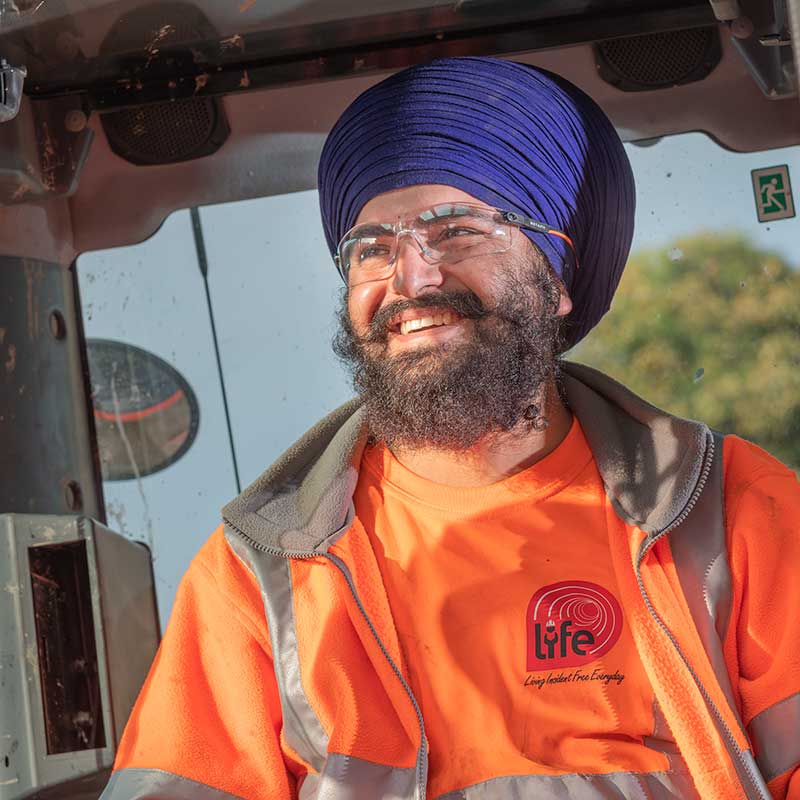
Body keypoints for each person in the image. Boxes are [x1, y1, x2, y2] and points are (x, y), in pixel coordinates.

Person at [100, 57, 800, 800]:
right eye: (372, 247)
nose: (411, 280)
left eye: (457, 231)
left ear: (557, 276)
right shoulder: (261, 571)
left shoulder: (728, 510)